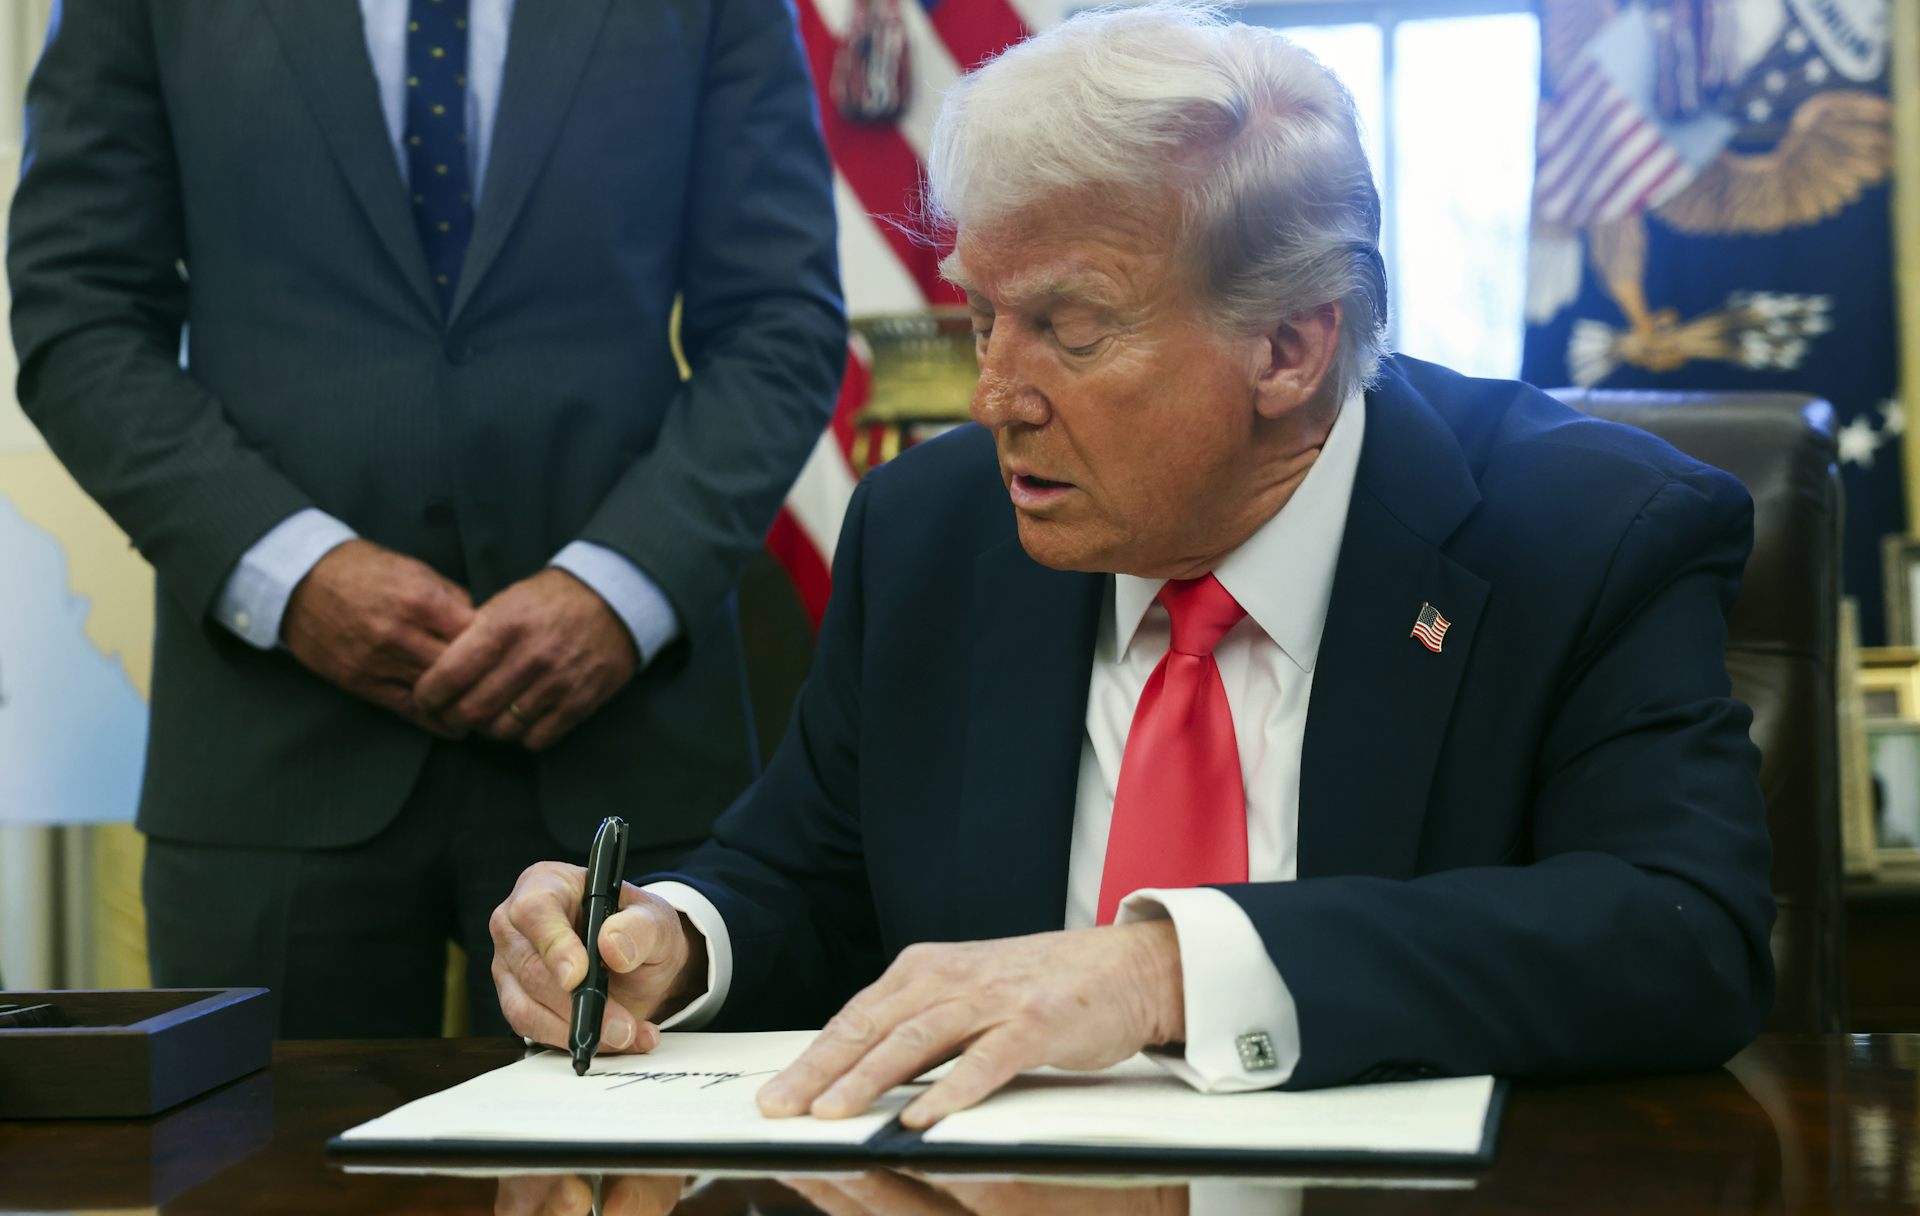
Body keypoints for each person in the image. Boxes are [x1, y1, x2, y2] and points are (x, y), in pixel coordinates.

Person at [490, 4, 1774, 1122]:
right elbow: (808, 881)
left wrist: (1163, 969)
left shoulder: (1589, 535)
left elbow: (1677, 937)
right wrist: (668, 938)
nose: (994, 395)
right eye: (984, 315)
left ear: (1290, 349)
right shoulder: (935, 530)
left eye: (1071, 329)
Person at [6, 0, 844, 1036]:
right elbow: (76, 312)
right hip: (273, 748)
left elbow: (781, 321)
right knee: (256, 1178)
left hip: (625, 745)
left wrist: (617, 587)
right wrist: (292, 573)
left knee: (633, 1197)